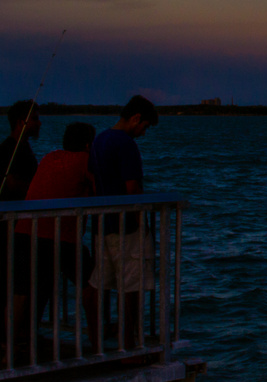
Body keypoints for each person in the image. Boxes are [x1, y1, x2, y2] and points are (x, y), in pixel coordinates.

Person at [12, 122, 98, 362]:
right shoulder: (85, 161)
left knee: (23, 291)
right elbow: (101, 191)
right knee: (91, 284)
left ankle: (11, 345)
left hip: (26, 229)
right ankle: (97, 341)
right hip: (58, 235)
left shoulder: (50, 157)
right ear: (88, 144)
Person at [88, 96, 158, 350]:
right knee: (132, 287)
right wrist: (142, 223)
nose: (143, 133)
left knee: (100, 284)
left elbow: (93, 182)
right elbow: (132, 188)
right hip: (127, 228)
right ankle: (129, 346)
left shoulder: (99, 140)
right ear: (136, 118)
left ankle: (96, 342)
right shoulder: (126, 144)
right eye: (145, 127)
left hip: (102, 226)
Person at [0, 99, 42, 364]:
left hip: (12, 221)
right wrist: (37, 193)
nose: (39, 123)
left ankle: (14, 336)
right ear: (22, 122)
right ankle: (9, 339)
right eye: (35, 118)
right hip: (10, 222)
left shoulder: (18, 147)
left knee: (14, 279)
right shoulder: (12, 148)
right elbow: (11, 182)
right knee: (15, 281)